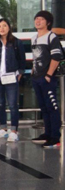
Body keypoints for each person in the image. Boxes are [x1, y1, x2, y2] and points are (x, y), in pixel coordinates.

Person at [0, 18, 26, 142]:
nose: (1, 28)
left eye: (4, 26)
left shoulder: (16, 43)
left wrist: (19, 74)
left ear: (9, 27)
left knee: (13, 104)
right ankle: (3, 128)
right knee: (1, 104)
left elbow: (22, 60)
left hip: (10, 77)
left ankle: (14, 130)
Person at [30, 11, 63, 149]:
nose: (38, 21)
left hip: (47, 79)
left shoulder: (51, 37)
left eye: (41, 19)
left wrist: (48, 75)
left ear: (48, 22)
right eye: (36, 19)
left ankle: (55, 137)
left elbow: (56, 57)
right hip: (36, 78)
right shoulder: (34, 38)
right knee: (44, 108)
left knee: (52, 107)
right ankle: (47, 134)